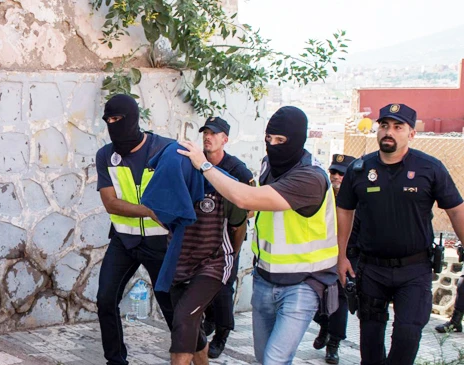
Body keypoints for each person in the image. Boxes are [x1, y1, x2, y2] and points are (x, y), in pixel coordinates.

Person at [178, 106, 339, 364]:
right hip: (265, 278)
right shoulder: (270, 165)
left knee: (275, 359)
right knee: (264, 358)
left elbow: (245, 198)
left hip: (303, 283)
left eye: (280, 141)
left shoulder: (310, 177)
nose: (272, 146)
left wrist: (204, 165)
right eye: (269, 139)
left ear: (298, 140)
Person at [336, 103, 464, 365]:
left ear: (411, 133)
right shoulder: (359, 169)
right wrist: (341, 257)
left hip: (414, 269)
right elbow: (344, 212)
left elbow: (456, 211)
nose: (388, 132)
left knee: (407, 335)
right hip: (371, 268)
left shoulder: (430, 168)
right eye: (384, 125)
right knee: (370, 344)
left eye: (397, 127)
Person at [95, 94, 175, 365]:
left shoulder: (165, 150)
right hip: (124, 241)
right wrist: (151, 211)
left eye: (118, 119)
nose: (112, 124)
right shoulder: (106, 155)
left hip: (160, 244)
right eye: (108, 120)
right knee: (105, 299)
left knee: (172, 310)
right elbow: (110, 203)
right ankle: (115, 361)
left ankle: (190, 356)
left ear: (132, 119)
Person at [196, 117, 254, 359]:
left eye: (214, 133)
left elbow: (251, 205)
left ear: (225, 139)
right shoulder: (196, 161)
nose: (208, 137)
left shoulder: (237, 169)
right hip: (201, 236)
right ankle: (209, 321)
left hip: (229, 237)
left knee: (223, 287)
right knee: (201, 284)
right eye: (205, 132)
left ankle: (222, 334)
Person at [312, 153, 359, 364]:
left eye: (342, 173)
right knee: (314, 297)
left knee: (340, 299)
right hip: (320, 254)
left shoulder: (358, 198)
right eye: (334, 172)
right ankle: (324, 325)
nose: (337, 177)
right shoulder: (322, 194)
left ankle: (334, 343)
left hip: (347, 257)